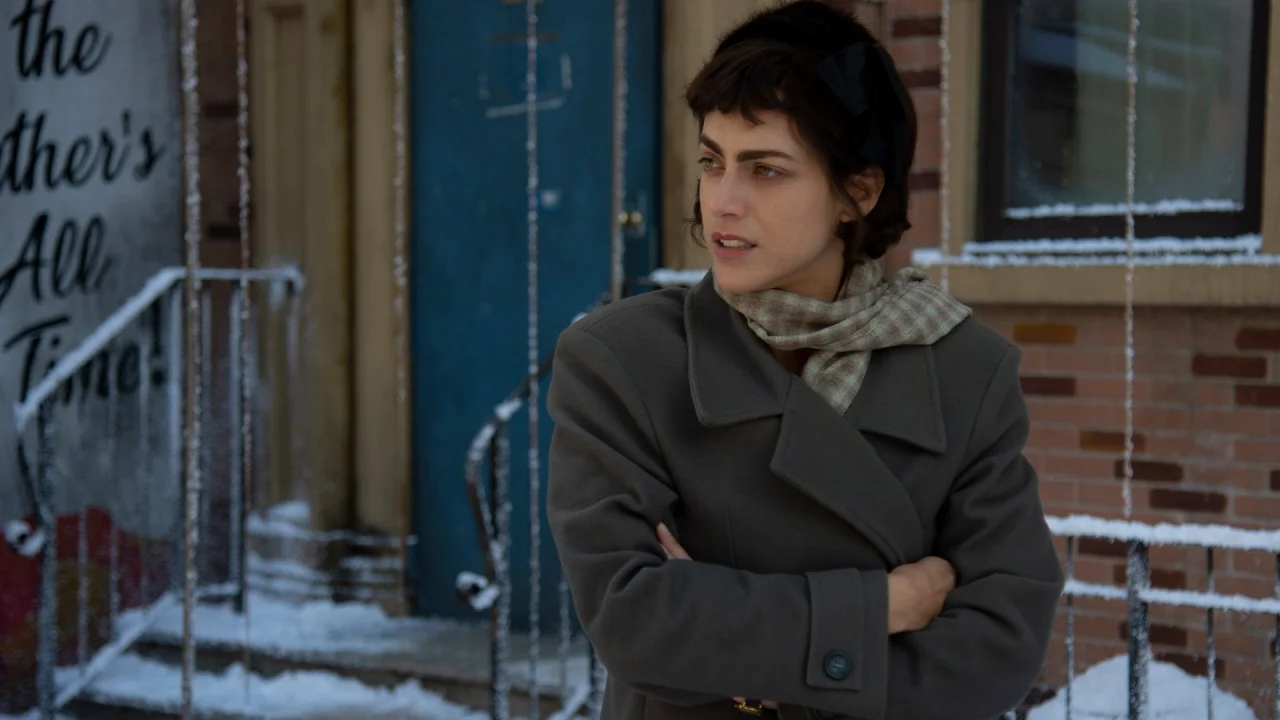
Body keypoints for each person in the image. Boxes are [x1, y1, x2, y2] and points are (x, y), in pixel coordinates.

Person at [545, 2, 1064, 719]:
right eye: (713, 161)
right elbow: (636, 622)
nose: (723, 202)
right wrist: (881, 606)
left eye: (766, 169)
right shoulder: (622, 361)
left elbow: (998, 650)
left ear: (858, 192)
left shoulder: (964, 371)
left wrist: (753, 660)